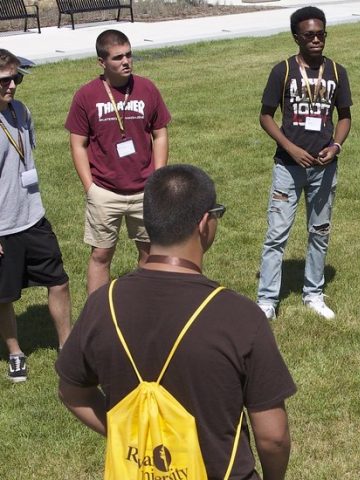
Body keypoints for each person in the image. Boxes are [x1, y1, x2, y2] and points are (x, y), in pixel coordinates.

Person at [56, 164, 296, 479]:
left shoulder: (103, 303)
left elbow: (72, 392)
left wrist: (128, 436)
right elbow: (273, 437)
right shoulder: (239, 316)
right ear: (204, 223)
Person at [256, 6, 352, 320]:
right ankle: (268, 300)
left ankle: (313, 293)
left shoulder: (337, 72)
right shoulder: (282, 70)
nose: (316, 40)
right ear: (296, 36)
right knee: (277, 233)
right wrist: (290, 147)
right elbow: (266, 116)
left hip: (324, 167)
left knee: (320, 231)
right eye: (309, 35)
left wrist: (336, 146)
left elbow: (345, 117)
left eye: (321, 34)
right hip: (288, 166)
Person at [65, 29, 171, 295]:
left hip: (144, 189)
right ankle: (97, 317)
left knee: (150, 251)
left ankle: (144, 307)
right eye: (118, 57)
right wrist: (89, 187)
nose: (126, 61)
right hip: (104, 190)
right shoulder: (86, 95)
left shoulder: (146, 88)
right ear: (102, 62)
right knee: (101, 255)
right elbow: (78, 144)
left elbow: (159, 134)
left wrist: (157, 177)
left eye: (129, 55)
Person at [0, 49, 72, 383]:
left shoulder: (21, 111)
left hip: (33, 217)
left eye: (16, 78)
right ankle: (15, 353)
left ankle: (67, 347)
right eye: (5, 80)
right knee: (4, 296)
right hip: (3, 228)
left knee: (58, 282)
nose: (12, 85)